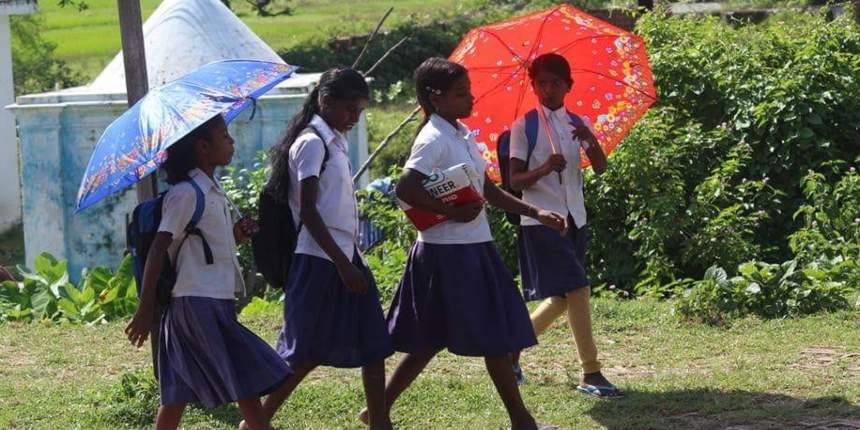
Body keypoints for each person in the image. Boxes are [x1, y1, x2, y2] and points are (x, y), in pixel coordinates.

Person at [362, 57, 565, 430]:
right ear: (435, 98)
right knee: (494, 339)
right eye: (460, 94)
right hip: (448, 254)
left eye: (468, 91)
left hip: (474, 247)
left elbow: (487, 190)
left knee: (430, 341)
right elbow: (406, 189)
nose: (470, 99)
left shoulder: (460, 134)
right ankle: (523, 423)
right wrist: (450, 212)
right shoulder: (433, 138)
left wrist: (536, 212)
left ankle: (378, 409)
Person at [245, 68, 394, 430]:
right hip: (320, 259)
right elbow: (309, 212)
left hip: (347, 254)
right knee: (304, 353)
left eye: (359, 112)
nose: (353, 119)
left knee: (374, 345)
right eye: (348, 110)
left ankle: (380, 423)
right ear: (325, 102)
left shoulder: (332, 141)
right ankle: (255, 422)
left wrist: (350, 260)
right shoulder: (311, 142)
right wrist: (343, 265)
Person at [125, 115, 291, 430]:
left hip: (209, 299)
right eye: (224, 136)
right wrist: (145, 308)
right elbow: (160, 247)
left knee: (177, 394)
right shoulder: (186, 193)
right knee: (243, 376)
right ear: (202, 147)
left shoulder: (211, 191)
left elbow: (204, 244)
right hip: (196, 303)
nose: (231, 142)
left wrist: (236, 235)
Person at [508, 53, 620, 398]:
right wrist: (543, 168)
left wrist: (589, 138)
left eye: (555, 82)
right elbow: (514, 180)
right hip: (542, 219)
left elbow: (599, 167)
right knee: (579, 288)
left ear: (568, 85)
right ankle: (592, 371)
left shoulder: (577, 122)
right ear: (534, 86)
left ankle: (510, 352)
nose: (548, 89)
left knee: (561, 297)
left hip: (576, 217)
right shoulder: (523, 126)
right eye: (541, 83)